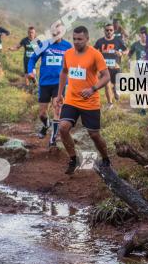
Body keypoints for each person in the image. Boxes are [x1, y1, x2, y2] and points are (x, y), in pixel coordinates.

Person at [57, 26, 112, 175]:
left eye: (80, 39)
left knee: (94, 134)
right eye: (74, 39)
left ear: (87, 39)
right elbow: (63, 72)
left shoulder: (95, 54)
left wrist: (93, 89)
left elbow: (106, 76)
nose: (76, 42)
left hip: (90, 101)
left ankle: (106, 158)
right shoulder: (68, 54)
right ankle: (73, 159)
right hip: (71, 99)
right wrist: (60, 94)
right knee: (63, 128)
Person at [27, 24, 71, 146]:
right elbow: (32, 59)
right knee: (42, 114)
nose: (55, 35)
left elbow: (75, 61)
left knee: (57, 109)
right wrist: (30, 71)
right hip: (45, 83)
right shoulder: (44, 44)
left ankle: (53, 139)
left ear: (62, 33)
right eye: (53, 33)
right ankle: (46, 125)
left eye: (58, 33)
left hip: (59, 83)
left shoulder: (68, 46)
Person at [94, 23, 126, 104]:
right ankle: (110, 103)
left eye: (111, 30)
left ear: (113, 31)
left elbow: (126, 50)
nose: (109, 31)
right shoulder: (100, 41)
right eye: (107, 30)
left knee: (116, 85)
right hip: (105, 68)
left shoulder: (118, 40)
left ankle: (115, 90)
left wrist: (121, 53)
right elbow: (93, 51)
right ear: (104, 31)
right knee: (107, 85)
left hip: (115, 67)